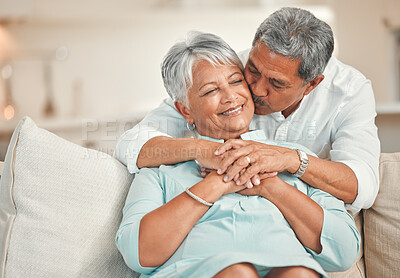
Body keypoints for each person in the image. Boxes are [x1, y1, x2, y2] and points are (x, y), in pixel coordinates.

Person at [116, 31, 360, 278]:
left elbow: (345, 250)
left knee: (298, 274)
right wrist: (217, 183)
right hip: (198, 271)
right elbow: (139, 254)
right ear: (185, 110)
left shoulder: (295, 160)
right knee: (238, 273)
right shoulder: (160, 168)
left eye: (235, 82)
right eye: (211, 91)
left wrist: (269, 185)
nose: (231, 97)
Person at [114, 7, 380, 214]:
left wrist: (291, 159)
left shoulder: (349, 91)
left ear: (311, 85)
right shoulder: (228, 73)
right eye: (252, 70)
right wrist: (203, 150)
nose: (256, 89)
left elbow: (363, 186)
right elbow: (131, 144)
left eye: (276, 83)